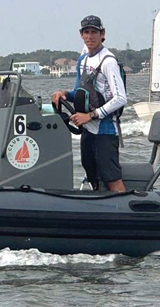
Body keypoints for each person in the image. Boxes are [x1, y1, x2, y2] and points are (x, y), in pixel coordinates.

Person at [51, 15, 127, 192]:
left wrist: (90, 115)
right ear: (81, 35)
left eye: (94, 32)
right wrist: (63, 94)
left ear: (103, 34)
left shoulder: (108, 62)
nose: (90, 36)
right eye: (86, 32)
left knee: (111, 179)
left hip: (106, 131)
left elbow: (120, 98)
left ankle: (125, 214)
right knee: (93, 177)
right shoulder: (83, 60)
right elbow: (79, 93)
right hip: (88, 130)